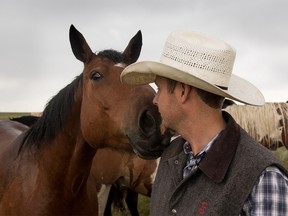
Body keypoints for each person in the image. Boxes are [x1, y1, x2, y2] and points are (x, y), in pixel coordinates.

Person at [120, 31, 288, 215]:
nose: (155, 100)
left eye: (159, 89)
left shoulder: (264, 179)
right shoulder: (170, 156)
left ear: (183, 91)